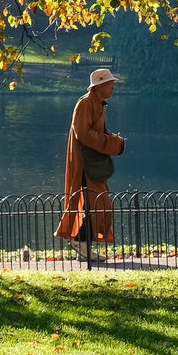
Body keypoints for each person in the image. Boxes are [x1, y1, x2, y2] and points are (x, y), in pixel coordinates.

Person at [55, 67, 126, 261]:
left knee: (101, 204)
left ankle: (83, 244)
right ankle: (80, 242)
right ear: (99, 86)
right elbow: (83, 133)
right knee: (99, 204)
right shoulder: (85, 103)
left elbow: (97, 131)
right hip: (85, 162)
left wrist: (113, 139)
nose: (113, 87)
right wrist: (111, 143)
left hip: (93, 162)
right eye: (110, 84)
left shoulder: (100, 104)